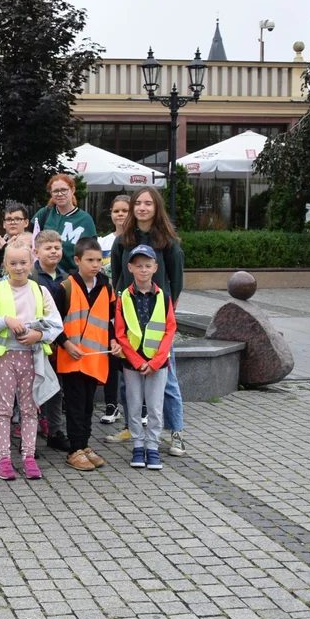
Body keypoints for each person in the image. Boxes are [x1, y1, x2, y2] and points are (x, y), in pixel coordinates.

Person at [109, 188, 186, 456]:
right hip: (129, 319)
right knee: (126, 380)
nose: (142, 208)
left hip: (156, 321)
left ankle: (176, 433)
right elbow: (117, 279)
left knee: (168, 379)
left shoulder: (168, 241)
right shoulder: (122, 241)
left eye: (148, 203)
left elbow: (176, 282)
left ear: (157, 207)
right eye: (137, 203)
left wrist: (166, 313)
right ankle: (133, 430)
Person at [0, 243, 63, 480]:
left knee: (29, 409)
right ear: (5, 265)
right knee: (3, 410)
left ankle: (28, 457)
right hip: (6, 357)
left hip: (32, 356)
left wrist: (40, 335)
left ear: (31, 262)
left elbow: (56, 324)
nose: (18, 267)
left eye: (23, 263)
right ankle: (3, 458)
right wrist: (5, 320)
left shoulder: (40, 290)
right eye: (13, 263)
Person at [57, 236, 121, 472]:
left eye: (99, 260)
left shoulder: (106, 286)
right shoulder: (65, 287)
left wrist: (113, 340)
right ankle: (74, 450)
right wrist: (65, 344)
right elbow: (52, 324)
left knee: (87, 405)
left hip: (95, 358)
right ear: (77, 260)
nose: (96, 265)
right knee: (75, 405)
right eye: (90, 260)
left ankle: (84, 445)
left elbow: (109, 321)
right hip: (72, 358)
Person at [115, 245, 177, 471]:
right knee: (133, 405)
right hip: (132, 363)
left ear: (155, 268)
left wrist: (156, 361)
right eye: (138, 266)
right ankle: (137, 445)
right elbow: (120, 333)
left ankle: (152, 446)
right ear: (130, 267)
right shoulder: (123, 298)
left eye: (147, 266)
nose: (143, 270)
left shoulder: (164, 297)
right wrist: (137, 360)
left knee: (155, 407)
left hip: (157, 364)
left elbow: (170, 330)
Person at [29, 230, 70, 451]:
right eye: (48, 248)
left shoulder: (67, 279)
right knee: (31, 391)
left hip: (59, 343)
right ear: (36, 252)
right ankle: (30, 438)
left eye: (57, 247)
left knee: (55, 390)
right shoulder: (30, 277)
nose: (53, 251)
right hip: (36, 343)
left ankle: (54, 431)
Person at [98, 195, 131, 426]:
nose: (120, 214)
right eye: (116, 210)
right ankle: (111, 404)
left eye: (125, 210)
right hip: (109, 305)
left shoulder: (136, 239)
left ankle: (140, 407)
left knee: (130, 355)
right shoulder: (104, 242)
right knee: (111, 355)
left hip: (131, 305)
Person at [29, 174, 97, 274]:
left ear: (72, 190)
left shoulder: (85, 219)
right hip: (44, 276)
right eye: (55, 191)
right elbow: (28, 237)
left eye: (64, 190)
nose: (60, 194)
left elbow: (92, 252)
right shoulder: (44, 214)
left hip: (72, 277)